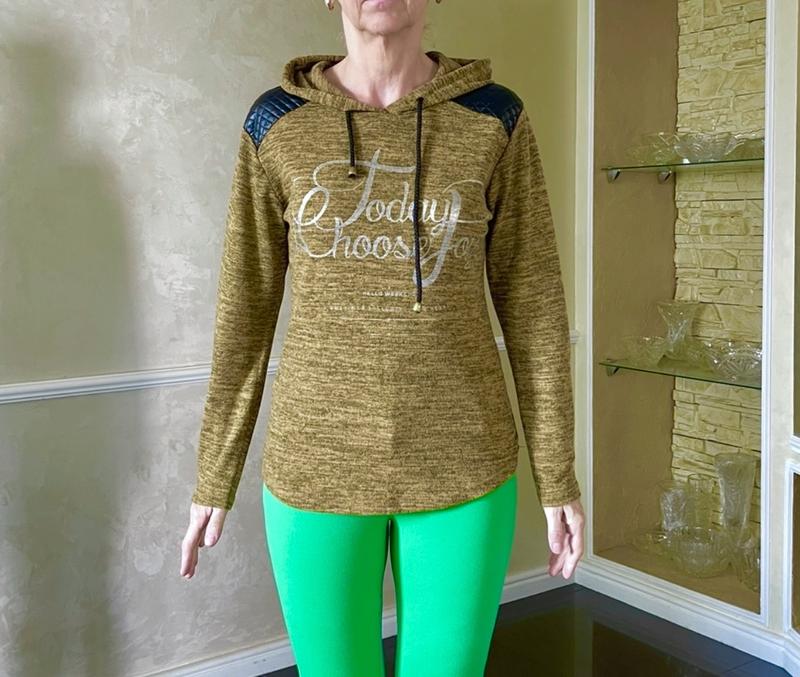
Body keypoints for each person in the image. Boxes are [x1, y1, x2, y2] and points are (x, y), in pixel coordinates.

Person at [180, 0, 585, 674]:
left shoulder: (494, 117)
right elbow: (244, 312)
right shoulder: (275, 123)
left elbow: (534, 305)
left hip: (465, 467)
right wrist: (214, 475)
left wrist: (557, 472)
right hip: (316, 467)